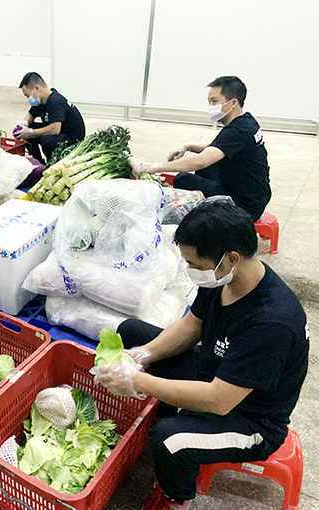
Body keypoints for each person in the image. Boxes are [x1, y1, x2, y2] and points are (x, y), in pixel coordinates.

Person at [93, 201, 308, 510]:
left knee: (168, 440)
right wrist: (143, 355)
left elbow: (219, 400)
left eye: (194, 263)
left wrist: (138, 381)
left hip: (250, 418)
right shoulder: (225, 277)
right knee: (132, 332)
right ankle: (168, 413)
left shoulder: (272, 322)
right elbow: (192, 325)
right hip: (217, 371)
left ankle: (177, 498)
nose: (190, 270)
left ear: (231, 258)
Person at [130, 76, 271, 220]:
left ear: (233, 102)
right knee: (208, 167)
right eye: (209, 102)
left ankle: (201, 212)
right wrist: (188, 147)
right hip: (254, 194)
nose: (211, 107)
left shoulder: (238, 129)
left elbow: (201, 161)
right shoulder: (246, 121)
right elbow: (219, 147)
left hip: (245, 205)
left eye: (214, 101)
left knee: (183, 179)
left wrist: (154, 167)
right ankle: (203, 202)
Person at [15, 72, 85, 163]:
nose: (28, 99)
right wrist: (23, 124)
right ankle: (37, 162)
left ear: (36, 88)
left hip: (72, 138)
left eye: (28, 95)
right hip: (60, 132)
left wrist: (31, 132)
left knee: (47, 141)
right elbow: (30, 116)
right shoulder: (41, 100)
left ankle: (52, 164)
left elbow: (55, 130)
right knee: (27, 130)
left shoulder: (55, 101)